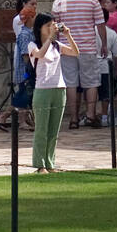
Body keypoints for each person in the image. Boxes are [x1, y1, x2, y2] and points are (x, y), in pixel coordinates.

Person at [52, 0, 107, 129]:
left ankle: (74, 119)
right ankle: (90, 114)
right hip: (87, 47)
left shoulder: (60, 0)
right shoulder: (92, 0)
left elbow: (55, 26)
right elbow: (100, 24)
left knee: (71, 83)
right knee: (91, 82)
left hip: (67, 48)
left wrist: (57, 44)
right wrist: (103, 44)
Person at [27, 14, 80, 174]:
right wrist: (50, 38)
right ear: (40, 28)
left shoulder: (57, 45)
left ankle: (50, 163)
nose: (52, 28)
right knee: (41, 129)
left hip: (59, 88)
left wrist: (67, 35)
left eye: (53, 25)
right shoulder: (32, 44)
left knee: (53, 130)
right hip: (42, 89)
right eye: (48, 25)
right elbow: (40, 54)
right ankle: (40, 164)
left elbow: (75, 52)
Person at [95, 19, 117, 125]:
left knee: (92, 92)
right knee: (105, 94)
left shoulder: (89, 32)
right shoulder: (112, 33)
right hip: (105, 67)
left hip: (90, 67)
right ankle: (103, 116)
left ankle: (92, 114)